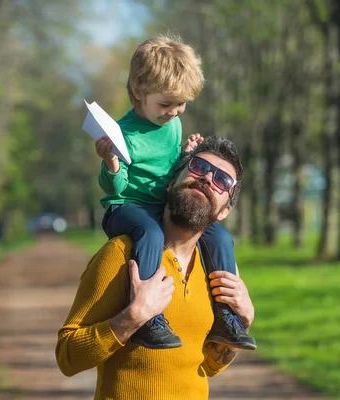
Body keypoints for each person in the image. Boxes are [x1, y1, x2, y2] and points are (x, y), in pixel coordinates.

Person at [56, 137, 255, 399]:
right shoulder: (122, 255)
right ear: (172, 182)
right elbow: (68, 358)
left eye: (222, 181)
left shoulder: (217, 271)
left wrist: (243, 321)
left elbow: (208, 366)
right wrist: (133, 317)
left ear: (224, 211)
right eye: (198, 166)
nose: (207, 178)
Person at [94, 34, 255, 350]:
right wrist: (111, 162)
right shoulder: (123, 133)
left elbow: (170, 175)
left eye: (181, 104)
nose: (174, 111)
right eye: (166, 104)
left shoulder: (173, 124)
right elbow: (117, 187)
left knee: (220, 237)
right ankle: (150, 317)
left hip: (159, 204)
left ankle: (226, 317)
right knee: (151, 234)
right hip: (128, 206)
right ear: (140, 92)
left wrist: (186, 156)